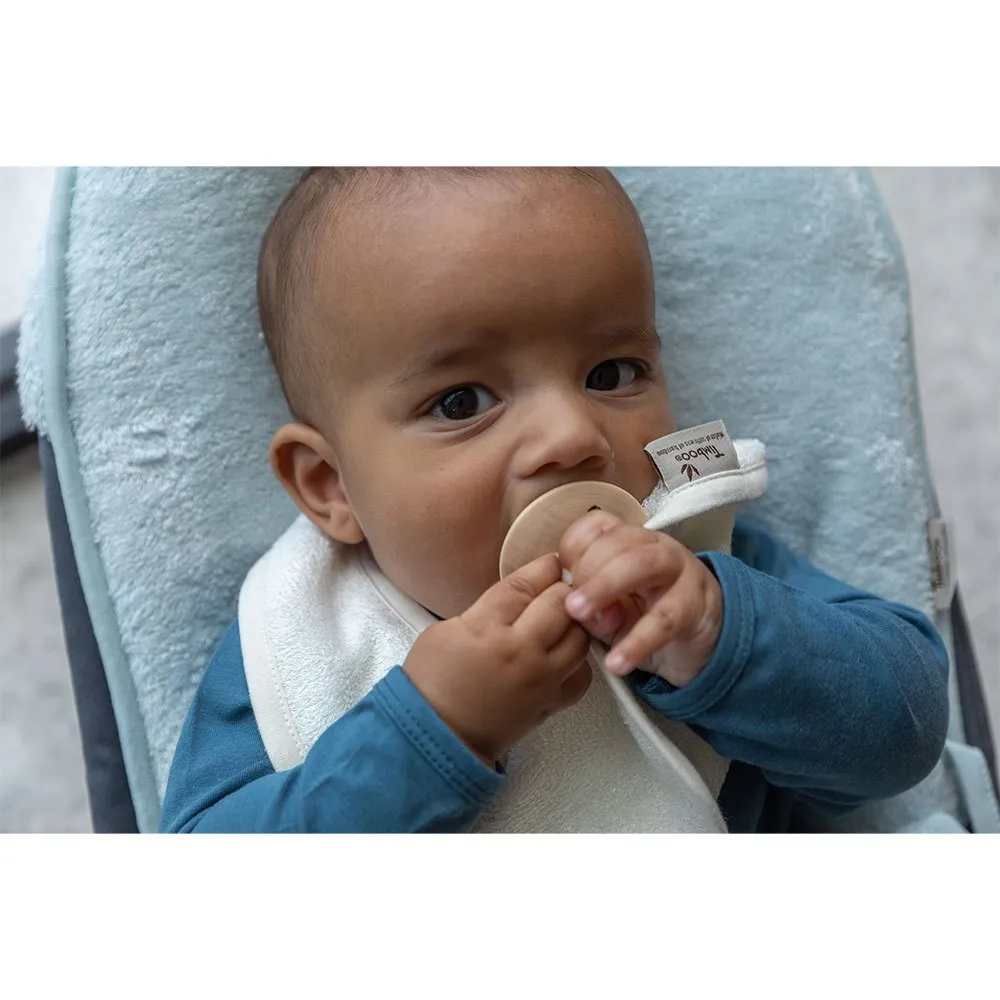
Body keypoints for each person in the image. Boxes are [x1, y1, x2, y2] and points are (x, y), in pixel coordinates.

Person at [159, 167, 948, 833]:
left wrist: (723, 638)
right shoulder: (303, 635)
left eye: (612, 374)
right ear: (330, 485)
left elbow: (902, 738)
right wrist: (432, 731)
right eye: (463, 402)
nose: (573, 435)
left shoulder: (697, 557)